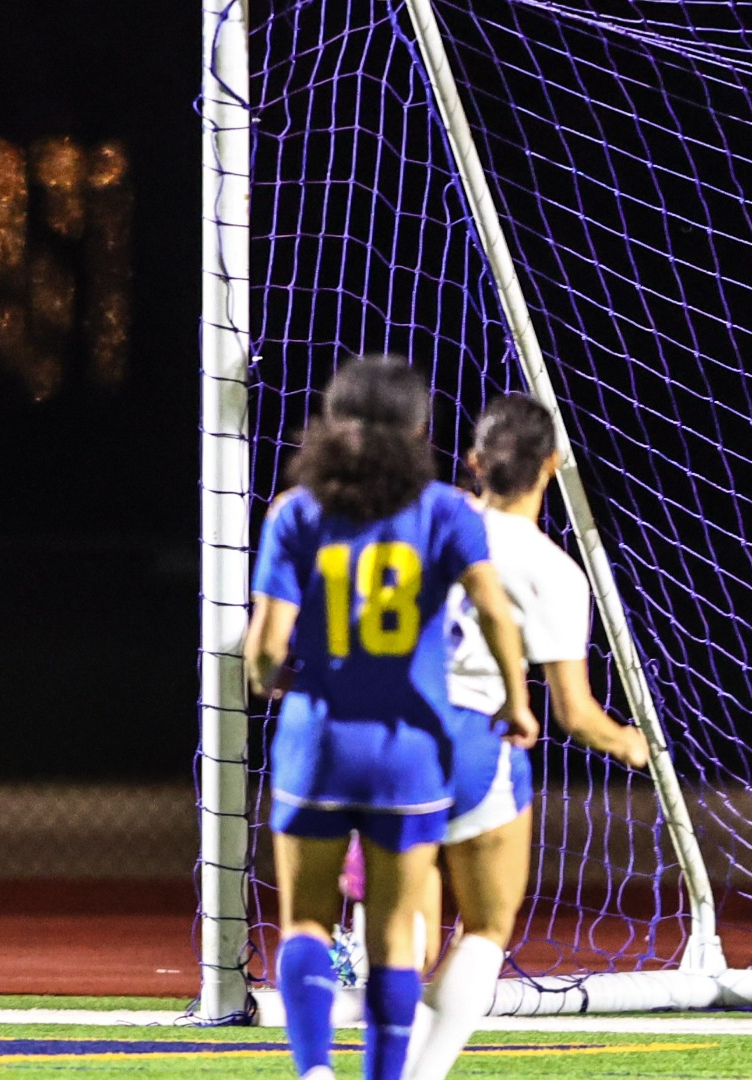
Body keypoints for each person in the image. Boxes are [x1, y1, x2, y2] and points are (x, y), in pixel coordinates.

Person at [244, 357, 538, 1080]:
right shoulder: (447, 510)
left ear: (332, 422)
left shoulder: (295, 512)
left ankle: (314, 1070)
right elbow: (496, 611)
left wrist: (271, 678)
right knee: (393, 934)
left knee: (307, 920)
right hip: (410, 745)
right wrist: (516, 699)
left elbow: (266, 650)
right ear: (419, 429)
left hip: (318, 739)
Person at [402, 393, 652, 1080]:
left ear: (476, 461)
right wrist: (632, 744)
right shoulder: (555, 572)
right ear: (554, 465)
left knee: (409, 922)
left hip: (389, 731)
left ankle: (369, 995)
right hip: (476, 740)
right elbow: (575, 715)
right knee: (483, 927)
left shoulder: (425, 520)